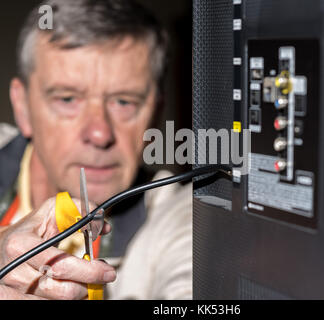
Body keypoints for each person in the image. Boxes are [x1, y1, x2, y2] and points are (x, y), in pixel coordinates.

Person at [0, 0, 192, 299]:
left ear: (155, 114)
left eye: (124, 102)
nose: (100, 133)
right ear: (22, 107)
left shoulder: (187, 221)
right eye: (67, 99)